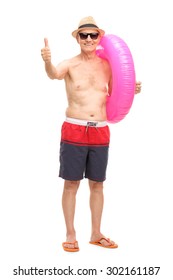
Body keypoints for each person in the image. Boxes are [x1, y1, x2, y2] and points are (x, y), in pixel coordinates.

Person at [41, 16, 142, 252]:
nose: (88, 39)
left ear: (99, 37)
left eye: (93, 35)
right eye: (83, 35)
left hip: (100, 131)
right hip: (74, 128)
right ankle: (70, 234)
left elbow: (119, 90)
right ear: (77, 38)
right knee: (71, 183)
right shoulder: (70, 64)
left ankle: (96, 234)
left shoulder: (107, 65)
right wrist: (47, 61)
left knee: (98, 184)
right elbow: (54, 74)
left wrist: (134, 89)